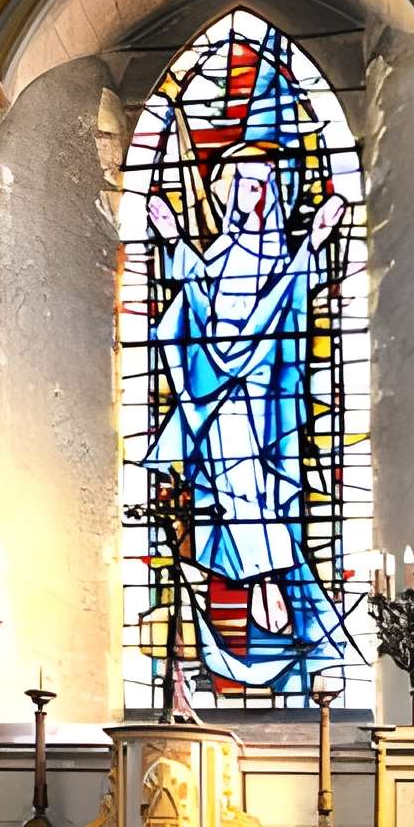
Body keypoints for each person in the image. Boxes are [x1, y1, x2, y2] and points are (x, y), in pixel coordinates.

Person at [143, 142, 350, 692]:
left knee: (259, 494)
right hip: (217, 392)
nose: (249, 195)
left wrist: (314, 240)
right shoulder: (226, 250)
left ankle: (270, 586)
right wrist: (171, 236)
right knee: (237, 494)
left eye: (259, 185)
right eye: (241, 184)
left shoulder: (278, 252)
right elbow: (197, 299)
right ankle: (266, 585)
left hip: (261, 395)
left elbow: (287, 299)